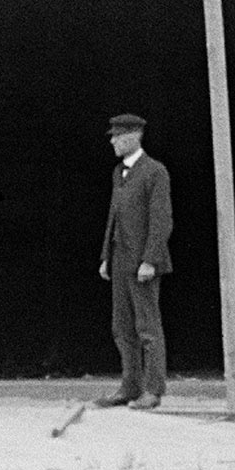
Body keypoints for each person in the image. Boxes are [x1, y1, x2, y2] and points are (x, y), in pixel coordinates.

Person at [95, 113, 172, 409]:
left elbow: (161, 219)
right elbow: (113, 217)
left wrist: (150, 259)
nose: (113, 141)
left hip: (142, 260)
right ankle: (130, 386)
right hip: (120, 258)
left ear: (133, 136)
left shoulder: (154, 171)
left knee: (147, 327)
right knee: (122, 326)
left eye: (117, 136)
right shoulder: (119, 173)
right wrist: (106, 255)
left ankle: (152, 390)